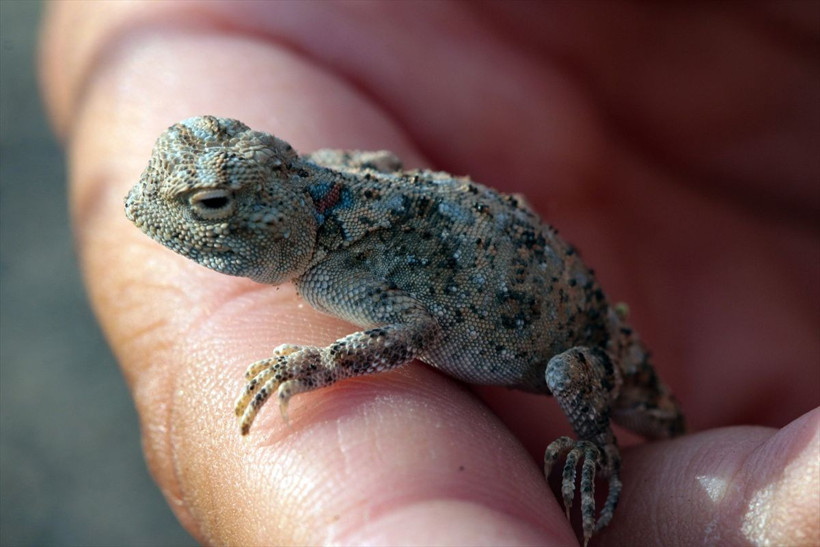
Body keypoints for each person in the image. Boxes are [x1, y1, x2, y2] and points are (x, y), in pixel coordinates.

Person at [40, 3, 819, 545]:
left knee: (575, 374)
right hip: (495, 246)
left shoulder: (345, 253)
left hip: (561, 333)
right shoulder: (325, 205)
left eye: (209, 203)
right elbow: (376, 177)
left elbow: (415, 327)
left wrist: (318, 362)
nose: (155, 207)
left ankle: (595, 446)